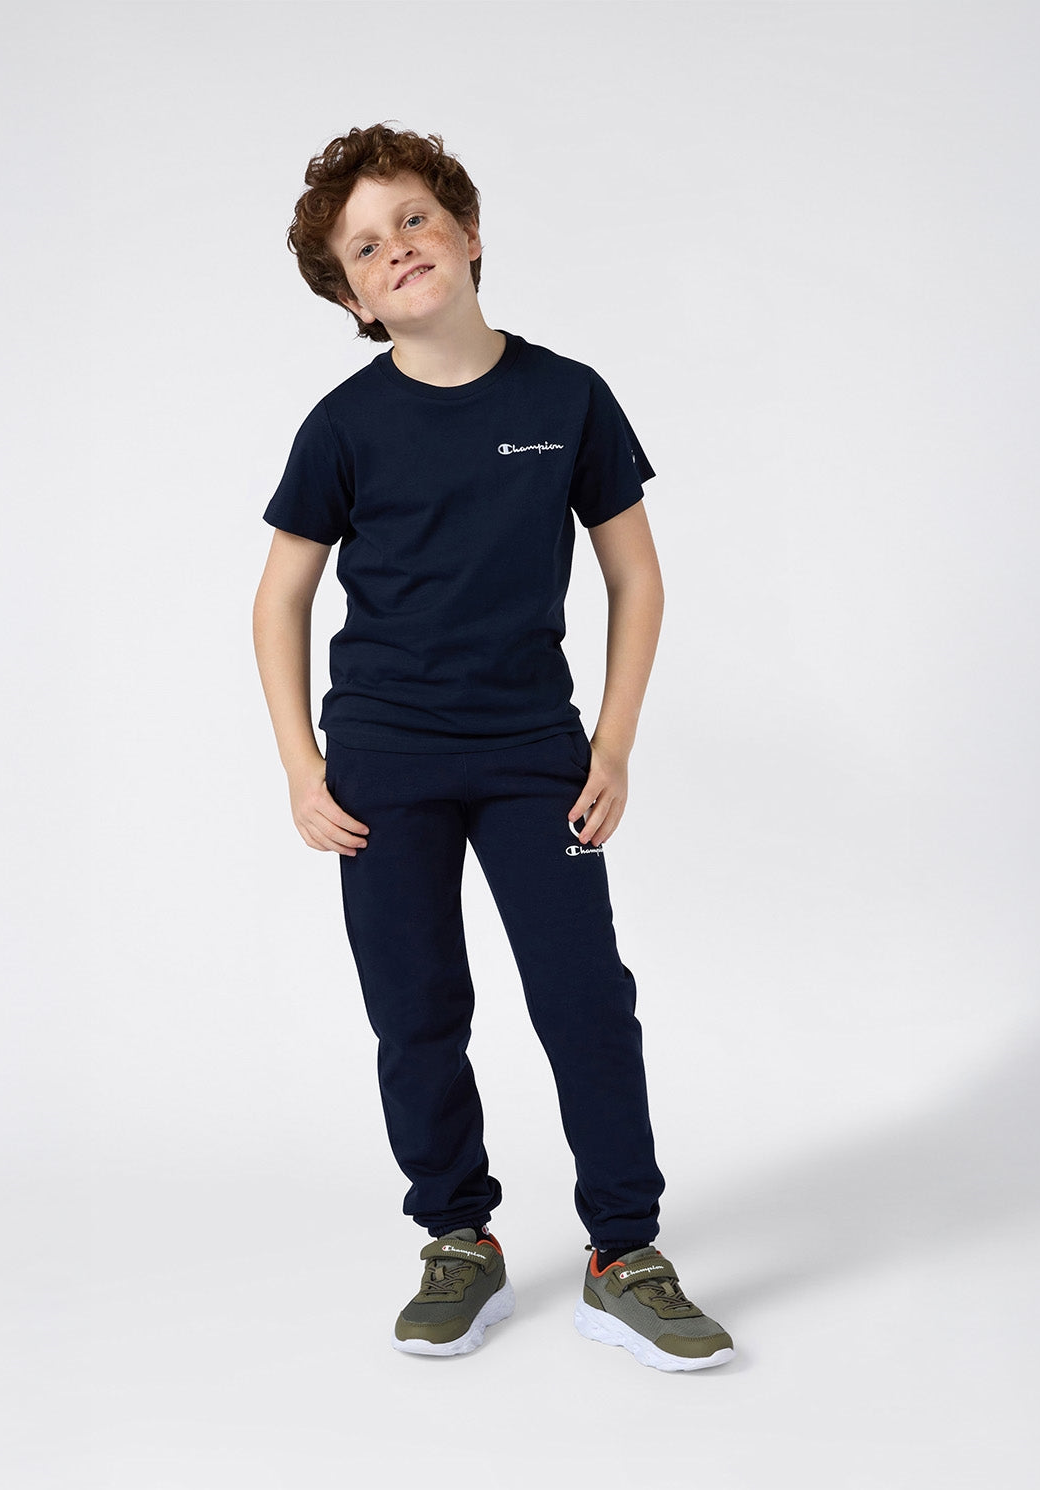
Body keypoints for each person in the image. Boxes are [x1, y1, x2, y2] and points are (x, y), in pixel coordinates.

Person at [252, 123, 733, 1372]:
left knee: (586, 999)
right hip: (382, 761)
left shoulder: (566, 397)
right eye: (366, 247)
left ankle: (623, 1254)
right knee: (416, 1006)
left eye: (413, 218)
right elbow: (280, 597)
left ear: (467, 234)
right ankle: (457, 1236)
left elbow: (635, 575)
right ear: (354, 300)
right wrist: (302, 767)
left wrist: (611, 745)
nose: (396, 248)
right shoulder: (342, 426)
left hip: (533, 753)